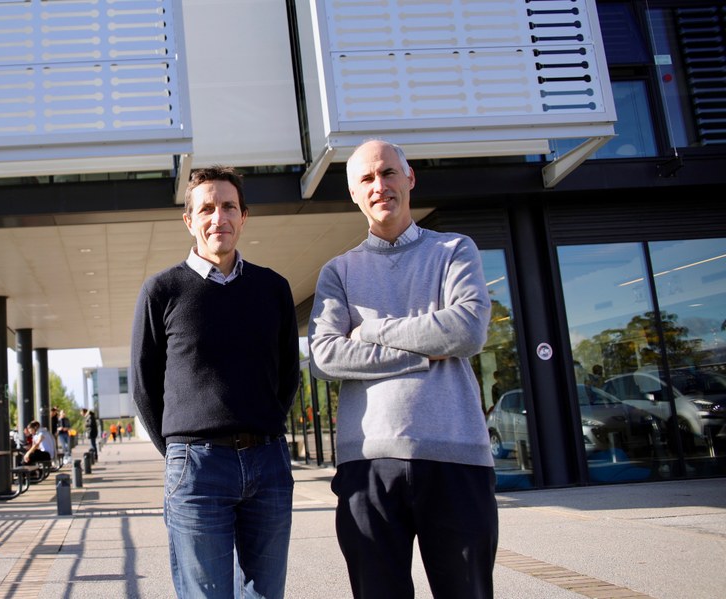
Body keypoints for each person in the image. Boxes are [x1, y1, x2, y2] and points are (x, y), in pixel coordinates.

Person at [308, 139, 495, 599]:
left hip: (456, 457)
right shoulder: (338, 272)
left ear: (409, 179)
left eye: (389, 173)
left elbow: (467, 330)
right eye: (366, 179)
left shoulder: (454, 250)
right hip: (367, 465)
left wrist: (370, 331)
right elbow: (325, 356)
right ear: (354, 194)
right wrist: (420, 352)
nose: (380, 186)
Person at [131, 165, 299, 598]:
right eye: (206, 208)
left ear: (244, 216)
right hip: (197, 467)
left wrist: (263, 425)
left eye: (228, 206)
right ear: (190, 221)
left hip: (269, 464)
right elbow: (144, 386)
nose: (217, 217)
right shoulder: (162, 291)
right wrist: (179, 451)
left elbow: (288, 374)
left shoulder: (273, 288)